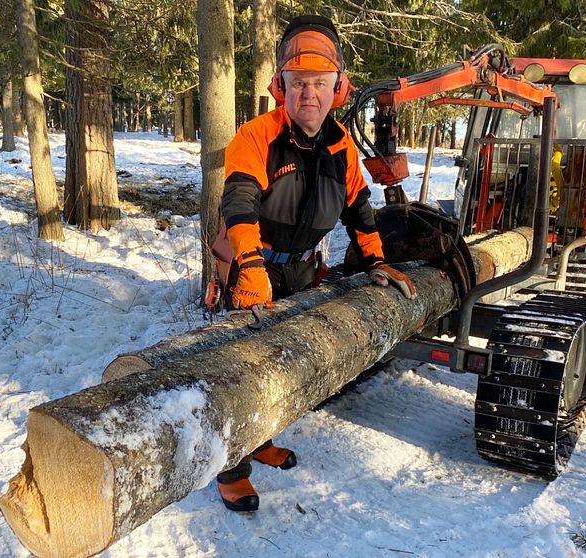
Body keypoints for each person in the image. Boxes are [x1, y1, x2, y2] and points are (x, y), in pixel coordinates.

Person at [214, 14, 416, 513]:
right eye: (299, 83)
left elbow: (360, 210)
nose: (309, 94)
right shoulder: (255, 136)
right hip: (253, 264)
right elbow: (238, 202)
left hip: (304, 268)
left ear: (337, 89)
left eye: (319, 84)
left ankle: (262, 439)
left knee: (285, 363)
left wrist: (377, 260)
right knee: (241, 368)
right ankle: (231, 471)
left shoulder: (341, 147)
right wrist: (251, 265)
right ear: (281, 87)